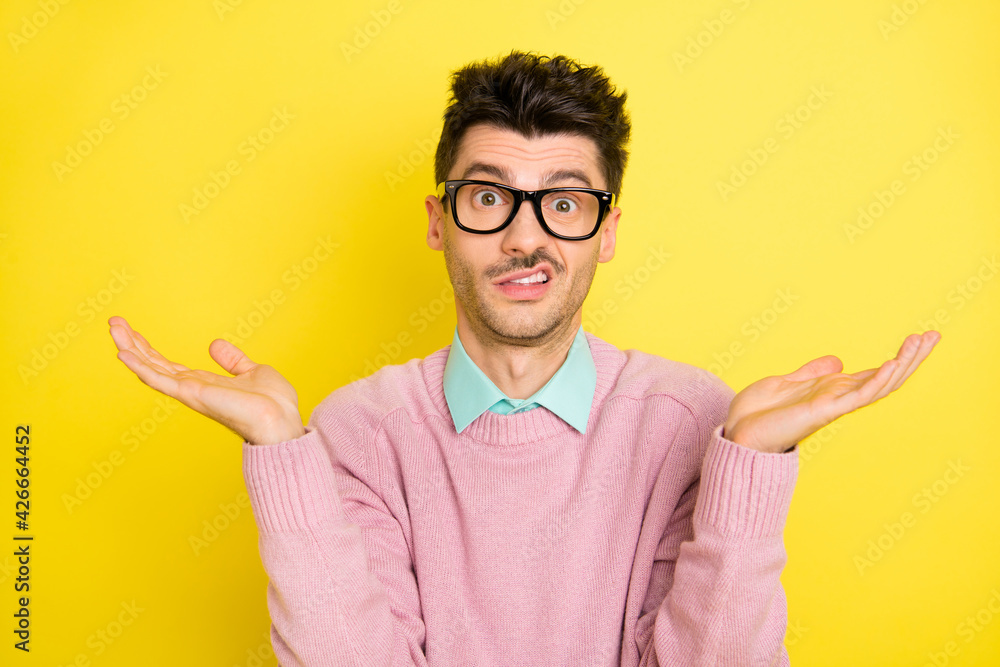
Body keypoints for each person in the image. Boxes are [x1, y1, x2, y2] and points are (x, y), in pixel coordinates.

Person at [108, 51, 940, 666]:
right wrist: (282, 452)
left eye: (566, 202)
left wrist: (750, 472)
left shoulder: (693, 419)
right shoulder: (358, 431)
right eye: (487, 196)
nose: (525, 235)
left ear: (607, 232)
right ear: (439, 220)